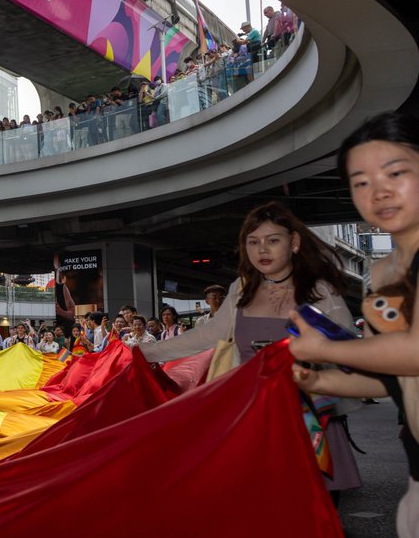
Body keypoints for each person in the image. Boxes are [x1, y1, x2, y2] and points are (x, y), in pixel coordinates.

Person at [288, 113, 419, 538]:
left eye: (395, 172)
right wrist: (319, 378)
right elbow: (393, 378)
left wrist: (326, 349)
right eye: (360, 182)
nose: (377, 191)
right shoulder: (390, 274)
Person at [138, 201, 357, 492]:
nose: (262, 249)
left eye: (272, 240)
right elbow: (207, 335)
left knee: (307, 520)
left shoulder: (319, 291)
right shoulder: (242, 289)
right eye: (253, 242)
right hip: (252, 417)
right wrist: (143, 353)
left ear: (294, 242)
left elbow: (351, 355)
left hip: (307, 422)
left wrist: (310, 360)